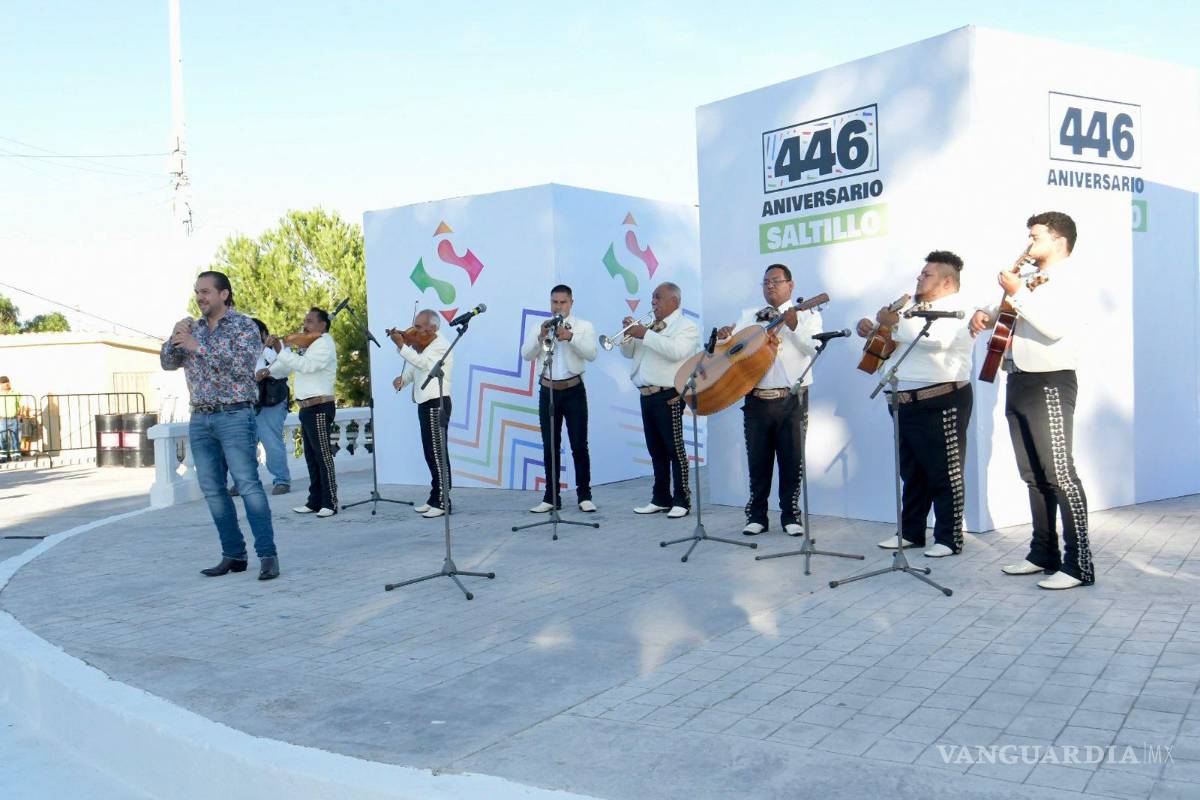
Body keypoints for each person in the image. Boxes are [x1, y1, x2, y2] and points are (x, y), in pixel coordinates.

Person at [970, 211, 1092, 590]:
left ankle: (1079, 565)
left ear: (1058, 241)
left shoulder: (1072, 278)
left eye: (1035, 236)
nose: (1028, 243)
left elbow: (1053, 327)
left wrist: (1017, 292)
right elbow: (1004, 311)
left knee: (1059, 472)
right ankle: (1043, 553)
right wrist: (983, 313)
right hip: (1018, 378)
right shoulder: (1027, 278)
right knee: (1033, 475)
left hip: (1051, 380)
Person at [160, 271, 279, 580]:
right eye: (197, 292)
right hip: (200, 417)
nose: (200, 297)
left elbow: (241, 365)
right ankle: (233, 554)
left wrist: (197, 346)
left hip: (235, 416)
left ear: (224, 294)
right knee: (213, 489)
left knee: (248, 486)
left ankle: (267, 555)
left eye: (206, 292)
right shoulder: (193, 328)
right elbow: (167, 362)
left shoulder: (244, 326)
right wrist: (175, 337)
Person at [855, 251, 973, 558]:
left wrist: (894, 325)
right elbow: (892, 340)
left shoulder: (959, 308)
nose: (920, 278)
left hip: (941, 399)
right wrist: (871, 328)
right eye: (921, 273)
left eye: (927, 274)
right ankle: (911, 532)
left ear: (947, 281)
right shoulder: (911, 307)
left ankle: (949, 538)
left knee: (945, 472)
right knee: (912, 471)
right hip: (903, 401)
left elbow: (936, 340)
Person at [715, 264, 821, 537]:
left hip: (791, 399)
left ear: (791, 285)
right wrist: (725, 337)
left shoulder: (809, 315)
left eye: (776, 281)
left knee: (791, 460)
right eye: (765, 282)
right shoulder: (749, 315)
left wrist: (795, 325)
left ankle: (790, 516)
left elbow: (813, 347)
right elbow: (731, 350)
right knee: (758, 460)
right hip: (756, 399)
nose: (770, 286)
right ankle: (757, 515)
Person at [618, 282, 700, 518]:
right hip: (646, 395)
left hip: (669, 395)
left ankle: (682, 500)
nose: (653, 302)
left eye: (658, 298)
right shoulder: (651, 326)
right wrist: (628, 336)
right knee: (656, 450)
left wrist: (646, 334)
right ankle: (661, 498)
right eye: (653, 298)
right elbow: (628, 353)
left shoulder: (686, 327)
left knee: (675, 449)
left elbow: (676, 351)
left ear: (674, 301)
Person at [521, 285, 598, 514]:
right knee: (550, 446)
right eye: (554, 302)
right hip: (548, 391)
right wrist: (540, 337)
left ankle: (584, 495)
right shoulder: (539, 326)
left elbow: (592, 354)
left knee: (579, 445)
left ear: (571, 303)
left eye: (563, 302)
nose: (558, 306)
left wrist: (571, 337)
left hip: (574, 389)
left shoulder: (584, 326)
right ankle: (551, 496)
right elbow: (526, 354)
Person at [268, 308, 338, 518]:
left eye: (309, 321)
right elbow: (286, 366)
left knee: (323, 456)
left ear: (322, 325)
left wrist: (282, 351)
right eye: (305, 320)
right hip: (307, 407)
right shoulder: (307, 345)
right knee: (311, 457)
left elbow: (307, 366)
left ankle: (330, 501)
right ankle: (315, 500)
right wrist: (267, 370)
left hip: (319, 406)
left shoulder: (324, 344)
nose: (305, 325)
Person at [391, 310, 454, 518]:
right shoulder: (425, 346)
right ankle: (435, 496)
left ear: (432, 328)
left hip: (438, 402)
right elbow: (415, 368)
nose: (414, 331)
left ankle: (444, 501)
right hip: (425, 402)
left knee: (437, 452)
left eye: (418, 327)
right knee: (430, 452)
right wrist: (403, 379)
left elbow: (426, 365)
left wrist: (401, 346)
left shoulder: (441, 346)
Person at [229, 319, 291, 496]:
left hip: (272, 400)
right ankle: (243, 482)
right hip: (248, 402)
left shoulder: (280, 347)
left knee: (271, 441)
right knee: (243, 445)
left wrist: (267, 349)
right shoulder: (246, 351)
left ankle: (282, 480)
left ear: (264, 333)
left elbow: (283, 369)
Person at [0, 375, 20, 462]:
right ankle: (3, 456)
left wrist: (19, 414)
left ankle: (16, 455)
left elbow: (19, 404)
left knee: (15, 437)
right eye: (3, 383)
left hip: (13, 418)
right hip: (3, 419)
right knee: (3, 437)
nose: (5, 384)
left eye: (6, 382)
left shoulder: (15, 392)